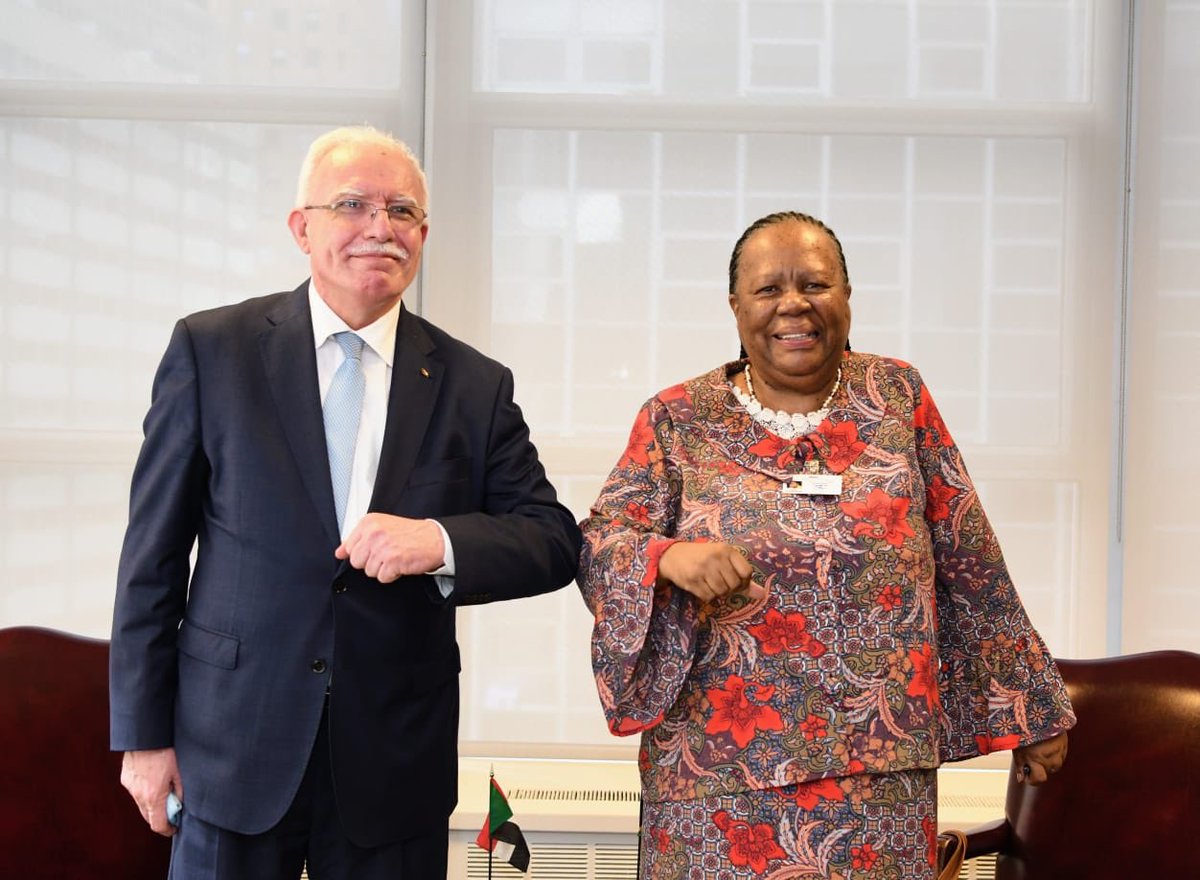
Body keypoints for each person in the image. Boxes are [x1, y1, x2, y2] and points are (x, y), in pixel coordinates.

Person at [110, 125, 581, 880]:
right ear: (302, 228)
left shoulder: (474, 384)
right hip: (232, 744)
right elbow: (151, 560)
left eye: (401, 211)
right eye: (352, 204)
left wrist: (440, 541)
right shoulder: (213, 350)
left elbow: (554, 539)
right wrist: (143, 738)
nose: (379, 228)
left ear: (422, 235)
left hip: (393, 758)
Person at [577, 211, 1074, 879]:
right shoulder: (675, 419)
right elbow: (599, 541)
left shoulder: (899, 397)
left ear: (845, 296)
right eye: (767, 289)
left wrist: (1032, 705)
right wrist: (665, 556)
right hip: (717, 774)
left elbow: (969, 554)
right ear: (734, 306)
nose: (793, 305)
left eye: (814, 284)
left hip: (880, 776)